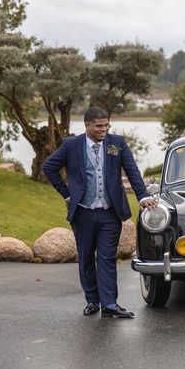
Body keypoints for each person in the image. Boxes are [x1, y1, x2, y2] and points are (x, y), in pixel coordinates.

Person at [43, 106, 157, 318]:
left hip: (109, 213)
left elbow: (132, 170)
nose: (103, 129)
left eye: (106, 125)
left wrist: (142, 196)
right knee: (86, 258)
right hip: (83, 213)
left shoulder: (117, 143)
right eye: (99, 126)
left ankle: (110, 304)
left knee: (106, 258)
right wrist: (67, 195)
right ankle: (92, 301)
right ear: (87, 126)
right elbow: (48, 167)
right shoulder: (71, 145)